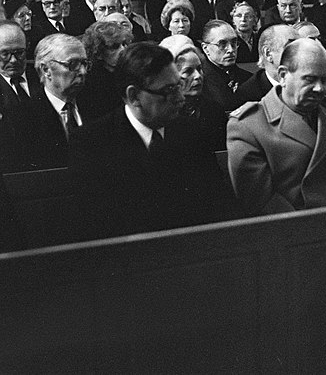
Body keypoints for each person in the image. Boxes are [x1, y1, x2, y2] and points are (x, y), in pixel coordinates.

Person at [69, 42, 232, 240]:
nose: (180, 98)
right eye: (169, 90)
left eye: (179, 86)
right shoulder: (91, 142)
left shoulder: (192, 131)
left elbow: (218, 204)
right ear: (134, 96)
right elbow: (99, 224)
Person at [227, 38, 326, 215]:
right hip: (291, 233)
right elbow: (261, 202)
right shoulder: (248, 126)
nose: (320, 88)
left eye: (325, 80)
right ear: (282, 75)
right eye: (310, 79)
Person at [3, 33, 88, 170]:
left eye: (84, 63)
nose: (83, 71)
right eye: (73, 64)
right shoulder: (20, 119)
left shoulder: (98, 105)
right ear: (46, 70)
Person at [160, 35, 227, 151]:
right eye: (188, 71)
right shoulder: (161, 116)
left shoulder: (214, 110)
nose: (197, 76)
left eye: (199, 69)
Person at [78, 20, 132, 122]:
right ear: (98, 52)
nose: (123, 50)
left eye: (124, 44)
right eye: (114, 47)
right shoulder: (90, 82)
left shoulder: (130, 73)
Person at [236, 24, 299, 103]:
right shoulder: (248, 94)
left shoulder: (309, 82)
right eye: (291, 47)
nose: (301, 53)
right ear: (268, 53)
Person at [200, 20, 252, 111]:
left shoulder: (249, 78)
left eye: (234, 43)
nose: (231, 50)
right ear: (206, 48)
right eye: (222, 44)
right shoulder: (199, 82)